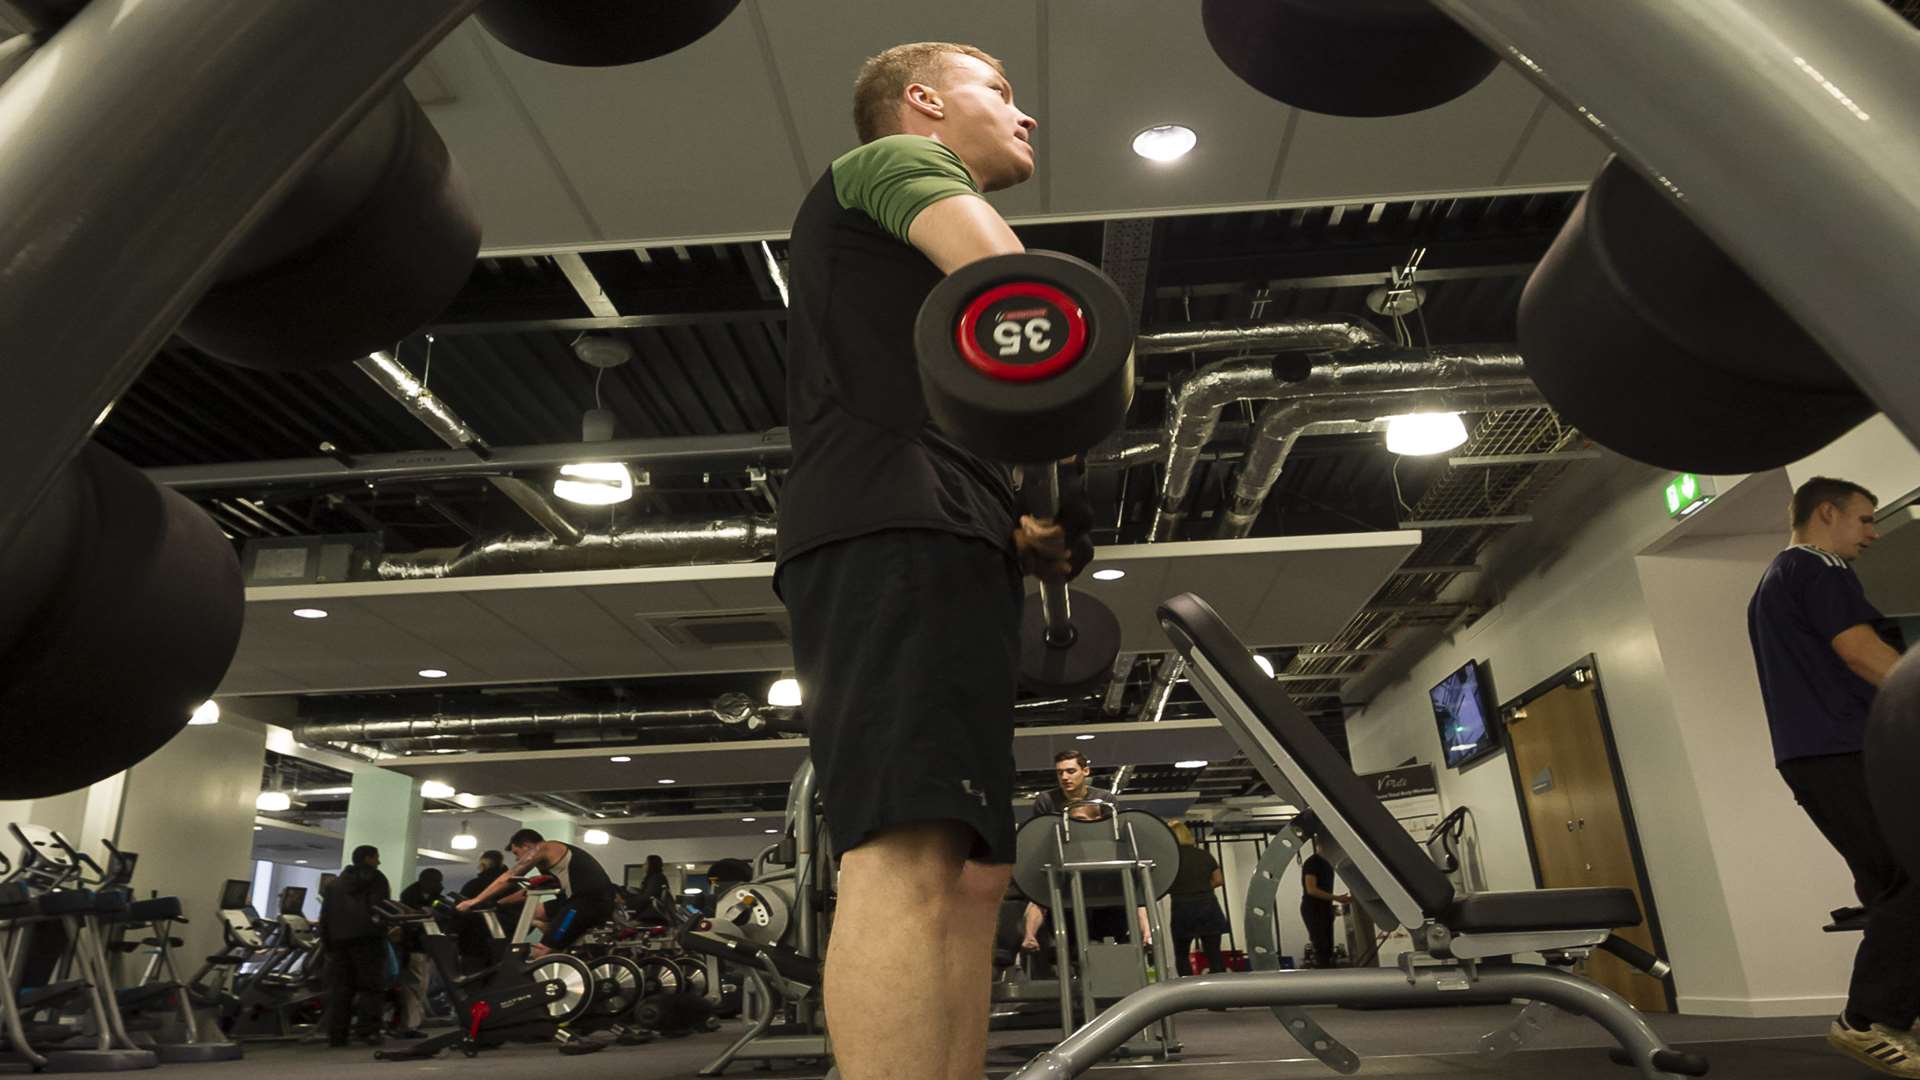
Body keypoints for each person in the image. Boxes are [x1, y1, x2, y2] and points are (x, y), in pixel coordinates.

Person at [774, 41, 1082, 1080]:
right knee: (907, 852)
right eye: (998, 91)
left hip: (949, 531)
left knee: (971, 878)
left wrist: (1028, 522)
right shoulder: (886, 167)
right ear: (922, 102)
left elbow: (997, 393)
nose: (1023, 113)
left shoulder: (907, 276)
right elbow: (1016, 297)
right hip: (886, 526)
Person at [1746, 476, 1920, 1074]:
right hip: (1840, 750)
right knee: (1912, 878)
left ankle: (1898, 1015)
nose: (1872, 534)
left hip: (1820, 753)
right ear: (1827, 513)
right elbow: (1860, 651)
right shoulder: (1818, 567)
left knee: (1888, 884)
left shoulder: (1776, 579)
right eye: (1866, 520)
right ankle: (1868, 1022)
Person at [456, 829, 616, 959]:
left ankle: (549, 951)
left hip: (586, 903)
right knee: (532, 912)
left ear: (527, 846)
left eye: (517, 853)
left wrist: (474, 901)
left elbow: (508, 877)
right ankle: (556, 937)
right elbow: (529, 891)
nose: (518, 858)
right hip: (576, 901)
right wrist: (497, 904)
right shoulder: (554, 863)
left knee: (541, 952)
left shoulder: (545, 848)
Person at [317, 845, 391, 1047]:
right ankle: (368, 1032)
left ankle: (337, 1035)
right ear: (368, 858)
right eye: (377, 857)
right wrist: (385, 929)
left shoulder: (335, 884)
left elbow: (325, 915)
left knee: (341, 989)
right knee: (371, 988)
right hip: (369, 940)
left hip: (339, 942)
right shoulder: (377, 879)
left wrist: (327, 943)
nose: (379, 861)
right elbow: (380, 909)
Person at [1167, 820, 1231, 980]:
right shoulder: (1204, 855)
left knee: (1182, 955)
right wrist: (1201, 886)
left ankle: (1188, 996)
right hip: (1207, 905)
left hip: (1182, 907)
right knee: (1214, 955)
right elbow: (1218, 880)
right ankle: (1220, 999)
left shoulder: (1170, 859)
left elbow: (1164, 884)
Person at [392, 867, 442, 1038]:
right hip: (415, 947)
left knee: (419, 986)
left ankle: (412, 1023)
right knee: (415, 985)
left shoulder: (421, 896)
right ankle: (410, 1025)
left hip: (422, 946)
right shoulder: (411, 897)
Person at [1300, 834, 1351, 969]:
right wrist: (1336, 898)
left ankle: (1329, 973)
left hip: (1325, 908)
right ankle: (1323, 977)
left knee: (1328, 947)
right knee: (1321, 946)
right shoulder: (1312, 862)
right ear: (1321, 846)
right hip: (1313, 909)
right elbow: (1311, 889)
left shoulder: (1328, 864)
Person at [1029, 750, 1113, 819]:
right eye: (1060, 773)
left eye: (1071, 771)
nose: (1064, 777)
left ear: (1085, 771)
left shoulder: (1105, 798)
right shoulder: (1046, 800)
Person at [633, 854, 671, 919]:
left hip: (650, 914)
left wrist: (628, 902)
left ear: (652, 865)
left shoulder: (656, 878)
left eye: (646, 863)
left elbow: (648, 896)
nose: (643, 865)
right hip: (650, 913)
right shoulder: (657, 877)